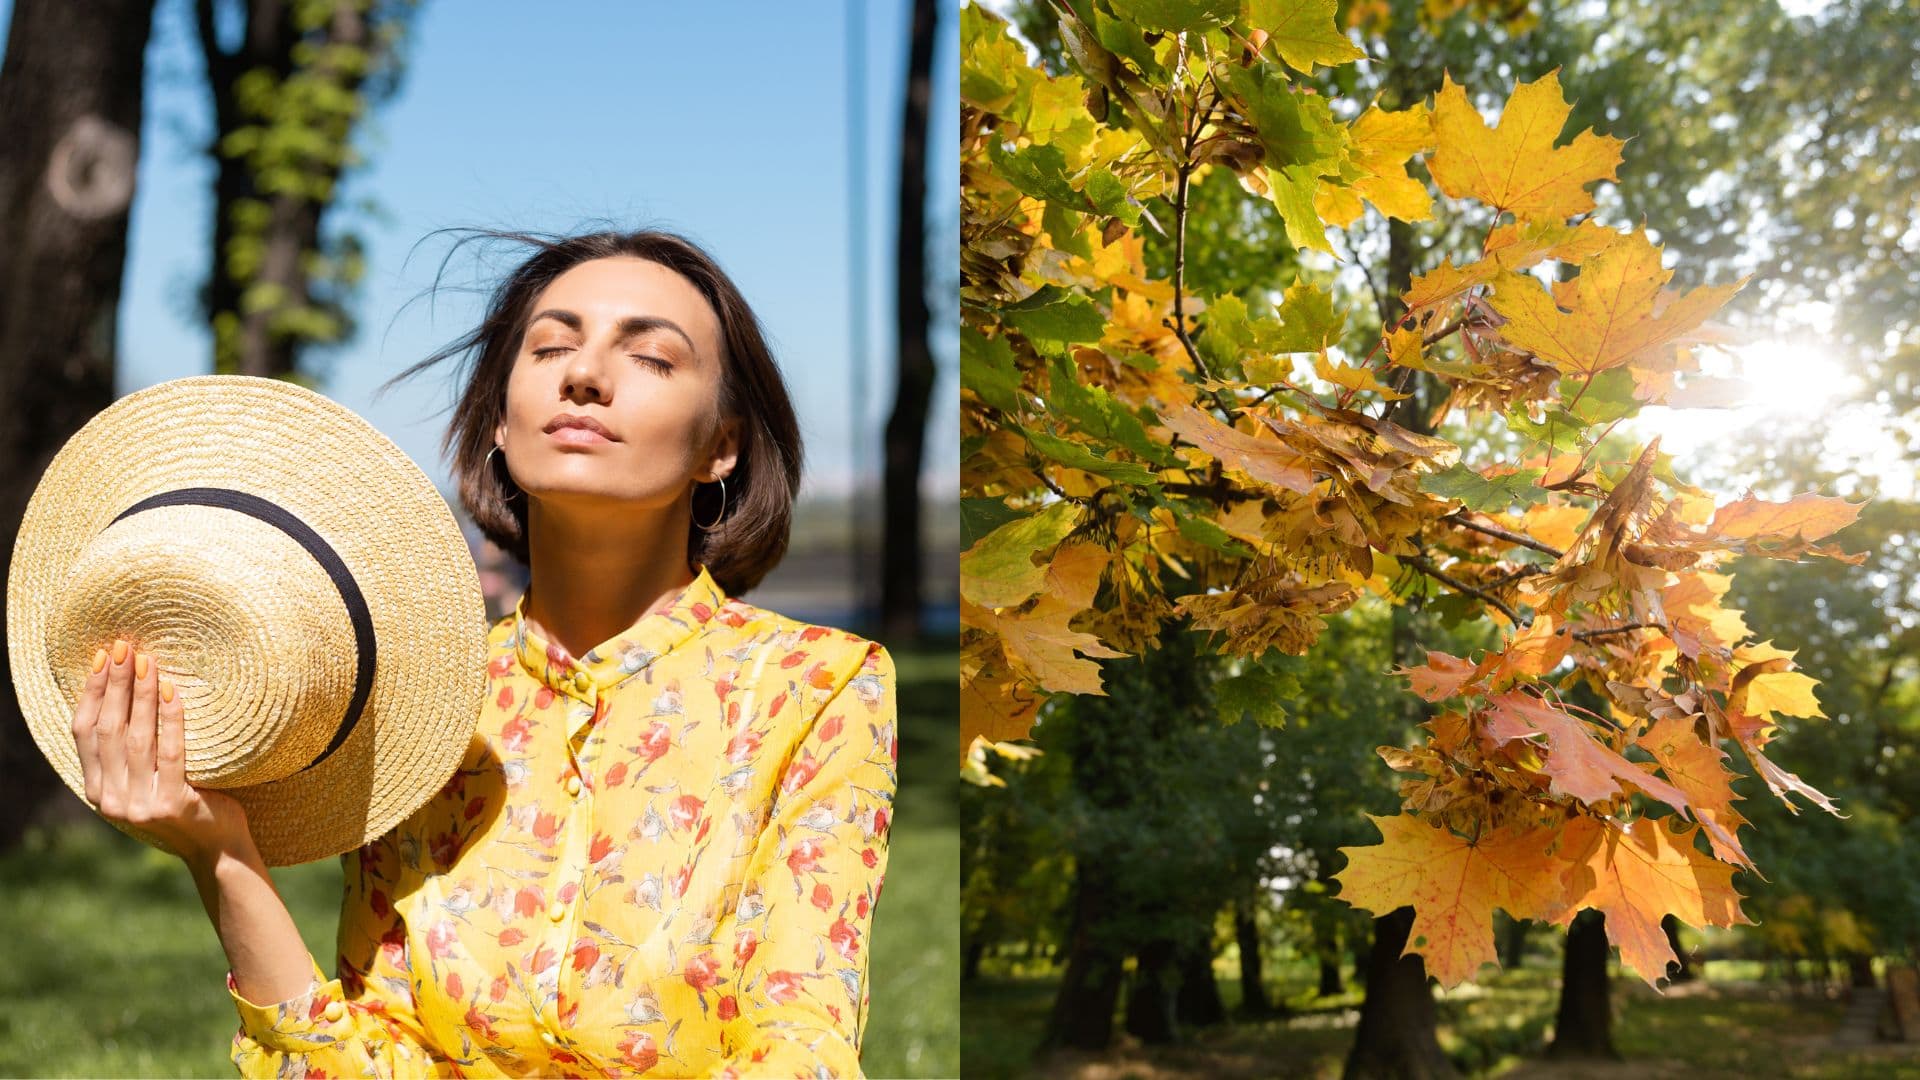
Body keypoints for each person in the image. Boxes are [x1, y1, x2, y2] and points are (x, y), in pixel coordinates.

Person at [66, 229, 899, 1077]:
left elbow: (804, 1049)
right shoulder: (414, 703)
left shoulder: (818, 689)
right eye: (551, 346)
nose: (584, 375)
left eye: (650, 357)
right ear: (501, 419)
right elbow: (367, 1059)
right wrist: (222, 855)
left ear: (720, 445)